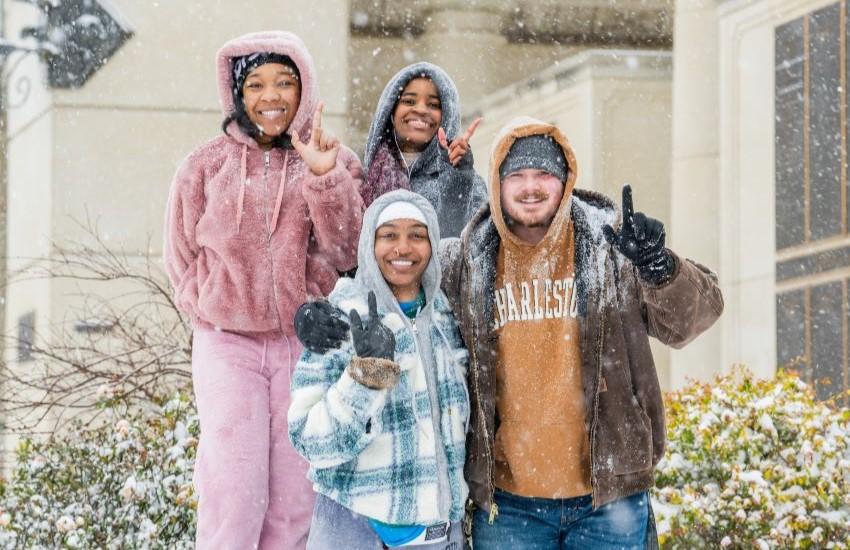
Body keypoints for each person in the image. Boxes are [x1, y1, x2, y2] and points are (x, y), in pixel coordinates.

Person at [295, 117, 724, 549]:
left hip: (608, 495)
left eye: (544, 175)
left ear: (566, 179)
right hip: (508, 505)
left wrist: (660, 267)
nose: (530, 187)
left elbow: (695, 316)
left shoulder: (611, 250)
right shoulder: (466, 262)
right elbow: (391, 272)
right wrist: (318, 313)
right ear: (498, 184)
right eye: (516, 175)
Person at [163, 31, 364, 549]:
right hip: (228, 344)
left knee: (295, 498)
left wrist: (322, 178)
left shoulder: (332, 160)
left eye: (284, 82)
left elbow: (348, 251)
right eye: (255, 84)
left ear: (304, 90)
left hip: (305, 345)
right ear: (238, 93)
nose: (270, 95)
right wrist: (208, 303)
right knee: (233, 489)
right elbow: (180, 254)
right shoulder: (205, 165)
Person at [288, 190, 470, 549]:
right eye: (389, 235)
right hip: (354, 528)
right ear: (370, 244)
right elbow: (308, 438)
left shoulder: (446, 315)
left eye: (416, 235)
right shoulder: (341, 316)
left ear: (433, 244)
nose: (402, 248)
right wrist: (366, 378)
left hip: (432, 534)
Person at [362, 62, 487, 238]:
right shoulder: (363, 177)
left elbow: (467, 249)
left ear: (446, 116)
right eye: (409, 101)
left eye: (433, 104)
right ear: (391, 111)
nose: (420, 109)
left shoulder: (470, 183)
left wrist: (457, 181)